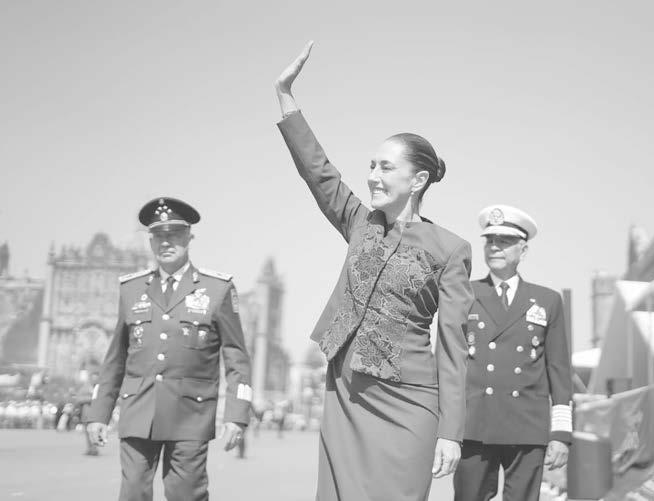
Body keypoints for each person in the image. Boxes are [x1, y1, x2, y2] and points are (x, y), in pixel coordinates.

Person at [275, 42, 474, 501]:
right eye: (370, 166)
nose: (373, 176)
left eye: (386, 167)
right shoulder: (359, 223)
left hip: (409, 401)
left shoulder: (452, 250)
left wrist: (451, 432)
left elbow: (453, 346)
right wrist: (286, 97)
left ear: (417, 180)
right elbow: (319, 173)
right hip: (347, 392)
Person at [85, 197, 253, 501]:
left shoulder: (217, 290)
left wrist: (237, 415)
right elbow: (115, 359)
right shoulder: (131, 289)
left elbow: (237, 357)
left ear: (189, 237)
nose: (166, 242)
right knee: (132, 492)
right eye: (159, 236)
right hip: (138, 410)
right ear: (150, 241)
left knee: (185, 494)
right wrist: (98, 413)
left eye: (174, 234)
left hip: (190, 415)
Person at [453, 205, 573, 501]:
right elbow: (449, 363)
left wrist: (561, 434)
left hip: (527, 427)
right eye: (490, 240)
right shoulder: (465, 294)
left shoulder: (547, 301)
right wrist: (445, 427)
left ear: (523, 249)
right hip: (474, 424)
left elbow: (559, 370)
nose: (495, 247)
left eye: (504, 241)